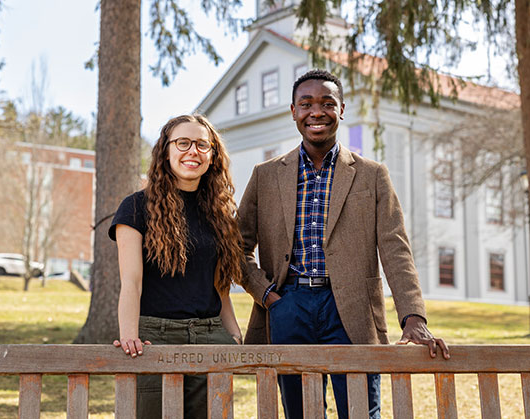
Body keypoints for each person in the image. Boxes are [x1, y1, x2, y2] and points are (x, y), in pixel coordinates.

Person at [238, 69, 450, 419]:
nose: (316, 112)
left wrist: (412, 316)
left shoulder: (372, 174)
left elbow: (395, 248)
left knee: (361, 414)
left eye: (327, 103)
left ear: (341, 109)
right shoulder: (266, 175)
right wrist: (267, 295)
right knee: (302, 414)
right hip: (288, 307)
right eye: (306, 104)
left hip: (352, 310)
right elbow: (237, 246)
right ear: (293, 111)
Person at [109, 114, 244, 419]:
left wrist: (232, 332)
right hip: (154, 338)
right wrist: (129, 334)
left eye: (202, 145)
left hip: (210, 337)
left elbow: (218, 284)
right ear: (166, 150)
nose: (192, 151)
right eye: (183, 143)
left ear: (213, 156)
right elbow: (131, 282)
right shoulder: (135, 207)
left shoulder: (220, 214)